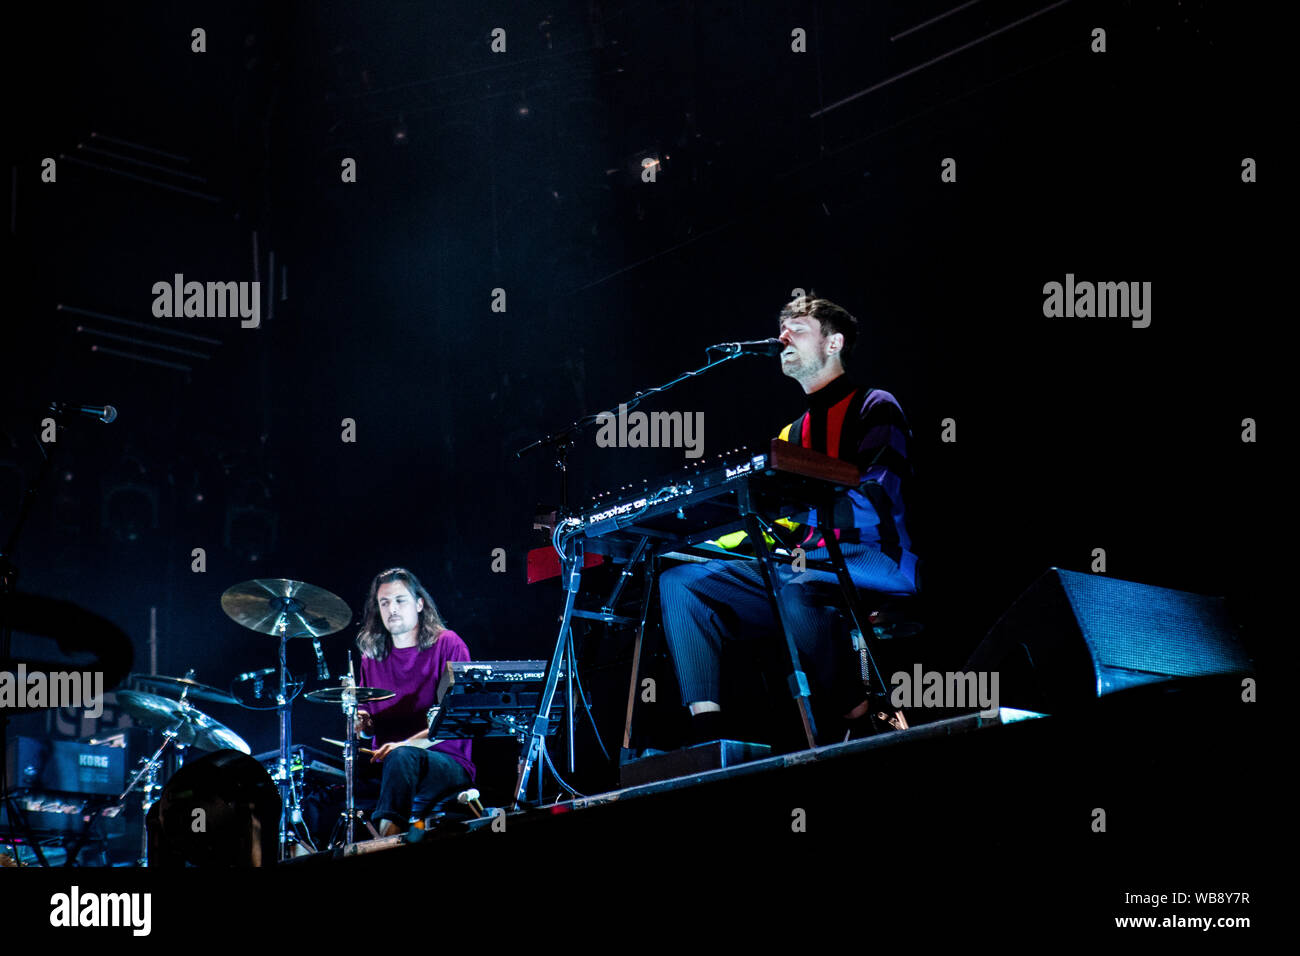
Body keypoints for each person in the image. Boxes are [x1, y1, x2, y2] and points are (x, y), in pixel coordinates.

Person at [658, 295, 920, 745]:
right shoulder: (788, 435)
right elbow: (762, 523)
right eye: (781, 329)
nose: (782, 338)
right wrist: (693, 541)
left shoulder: (875, 405)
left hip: (877, 557)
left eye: (797, 328)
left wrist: (797, 517)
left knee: (799, 584)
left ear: (834, 342)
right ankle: (710, 737)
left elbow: (879, 496)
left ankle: (864, 714)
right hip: (798, 567)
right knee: (681, 582)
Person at [354, 567, 474, 836]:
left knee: (401, 757)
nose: (391, 609)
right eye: (384, 603)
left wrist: (404, 745)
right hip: (389, 765)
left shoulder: (448, 644)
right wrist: (361, 724)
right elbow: (367, 727)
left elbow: (455, 721)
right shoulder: (371, 656)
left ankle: (385, 846)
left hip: (446, 762)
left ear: (419, 604)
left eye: (400, 600)